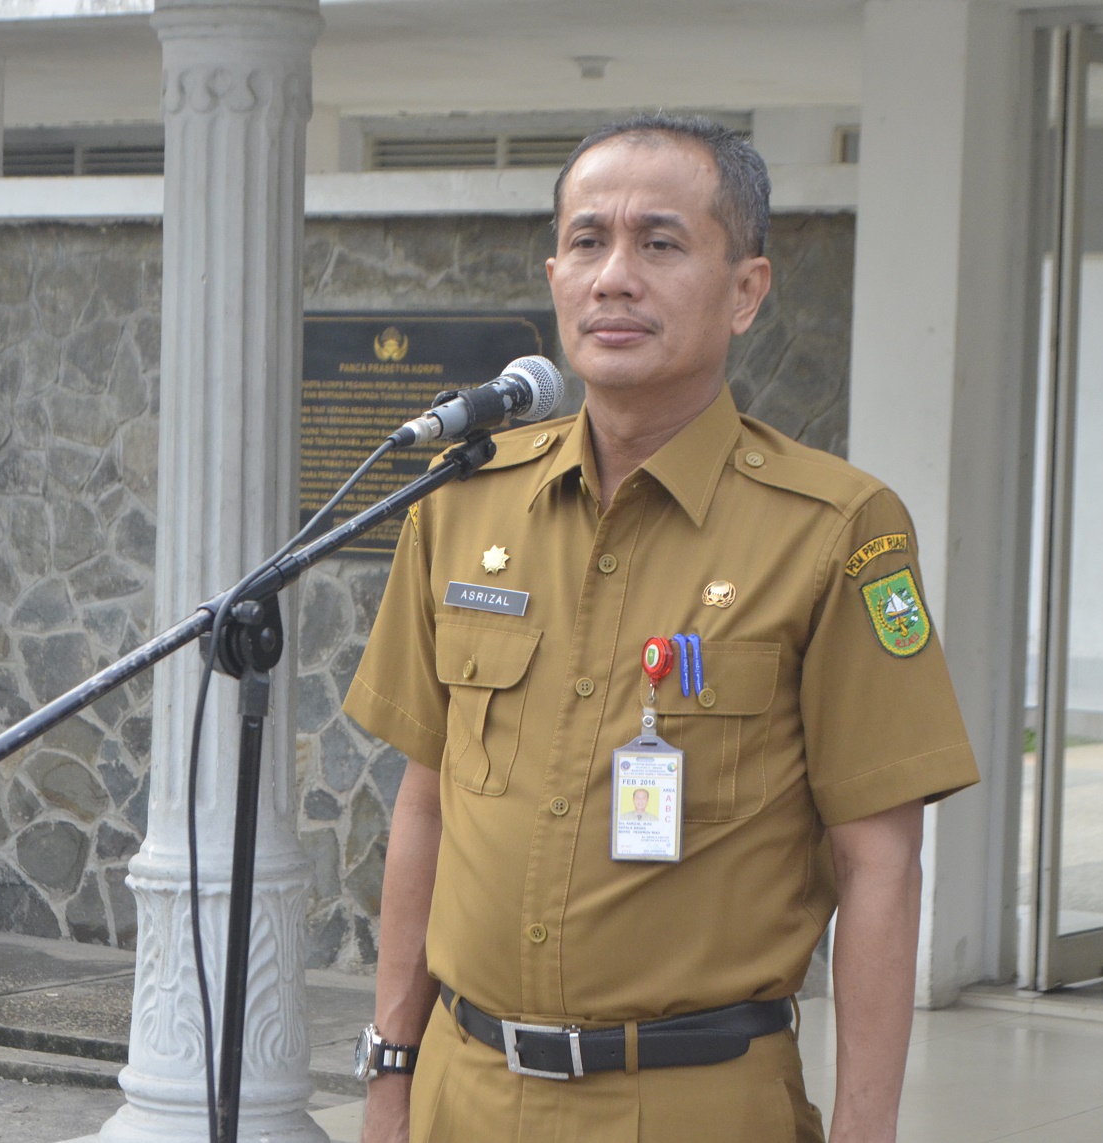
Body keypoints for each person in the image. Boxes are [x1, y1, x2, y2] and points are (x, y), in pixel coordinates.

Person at [342, 113, 980, 1143]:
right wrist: (391, 1069)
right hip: (464, 1094)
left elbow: (879, 866)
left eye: (660, 243)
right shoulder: (462, 503)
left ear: (746, 291)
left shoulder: (834, 530)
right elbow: (426, 804)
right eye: (588, 241)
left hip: (694, 1102)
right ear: (554, 276)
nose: (615, 278)